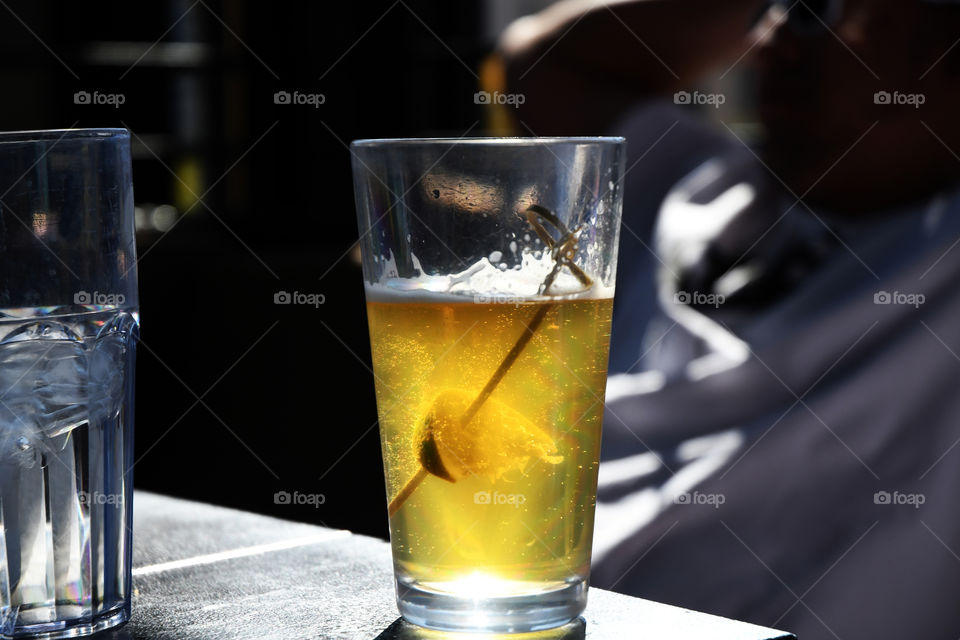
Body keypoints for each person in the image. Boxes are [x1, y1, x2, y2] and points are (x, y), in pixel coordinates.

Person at [494, 1, 960, 638]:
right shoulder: (689, 183)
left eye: (819, 15)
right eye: (774, 11)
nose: (766, 43)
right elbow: (545, 64)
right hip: (515, 608)